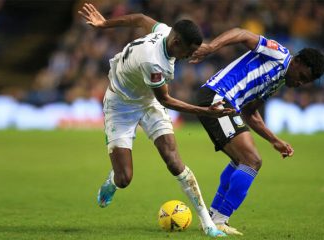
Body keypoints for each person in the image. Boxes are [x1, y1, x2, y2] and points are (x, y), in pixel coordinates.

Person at [78, 3, 235, 237]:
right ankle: (113, 181)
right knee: (125, 178)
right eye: (188, 52)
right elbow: (167, 101)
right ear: (176, 43)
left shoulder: (165, 32)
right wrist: (205, 112)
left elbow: (140, 18)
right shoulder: (153, 62)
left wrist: (104, 24)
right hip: (121, 105)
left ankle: (207, 224)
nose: (189, 57)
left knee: (174, 161)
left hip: (147, 101)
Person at [190, 28, 324, 235]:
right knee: (252, 160)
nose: (300, 83)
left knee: (241, 161)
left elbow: (250, 113)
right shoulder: (279, 54)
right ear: (297, 61)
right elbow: (241, 33)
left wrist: (274, 140)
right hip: (217, 98)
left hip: (227, 104)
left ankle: (212, 218)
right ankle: (220, 220)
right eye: (302, 76)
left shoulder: (278, 81)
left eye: (305, 82)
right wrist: (211, 47)